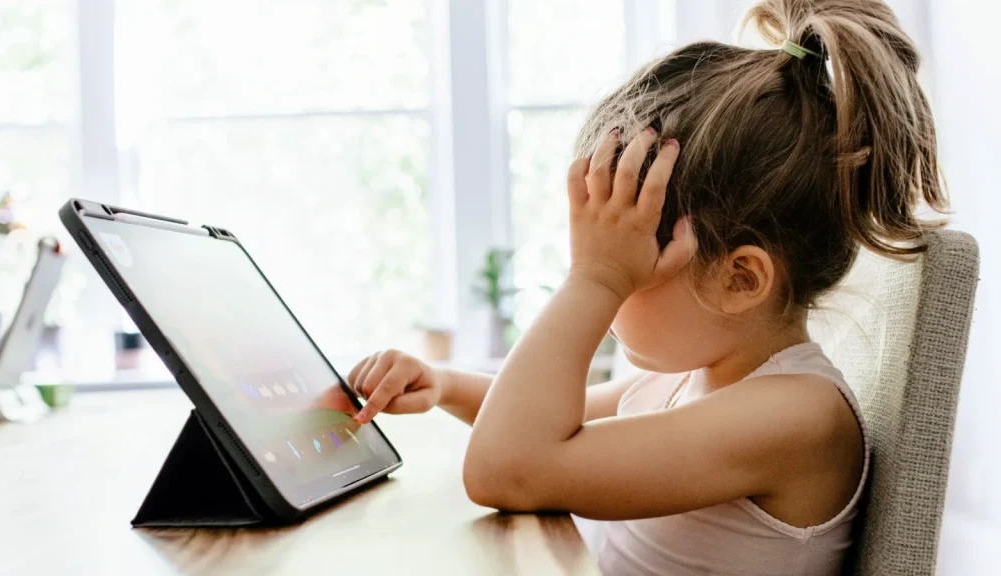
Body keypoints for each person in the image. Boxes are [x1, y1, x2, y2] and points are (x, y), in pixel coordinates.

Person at [347, 0, 946, 573]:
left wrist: (595, 278)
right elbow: (557, 418)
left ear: (740, 279)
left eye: (627, 265)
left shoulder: (799, 416)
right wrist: (446, 384)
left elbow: (508, 466)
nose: (605, 296)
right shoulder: (691, 375)